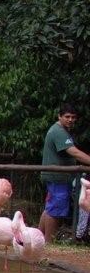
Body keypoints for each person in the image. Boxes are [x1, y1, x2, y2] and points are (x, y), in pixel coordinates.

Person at [38, 103, 89, 242]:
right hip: (57, 177)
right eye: (67, 117)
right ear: (59, 116)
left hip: (57, 177)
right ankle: (48, 243)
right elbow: (74, 152)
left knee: (50, 207)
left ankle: (39, 239)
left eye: (73, 117)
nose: (70, 120)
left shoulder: (62, 131)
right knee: (55, 209)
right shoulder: (58, 131)